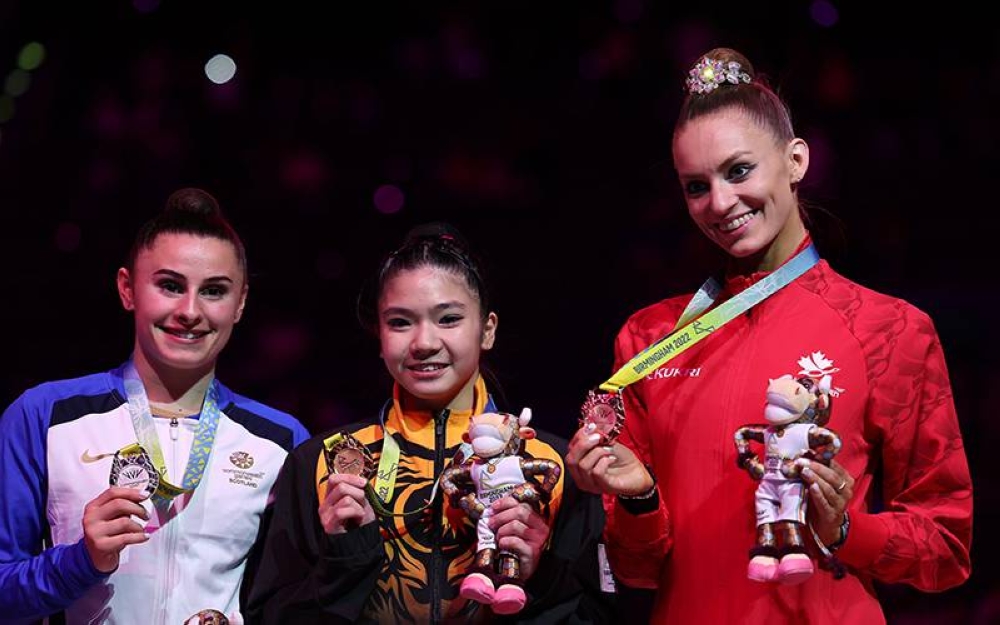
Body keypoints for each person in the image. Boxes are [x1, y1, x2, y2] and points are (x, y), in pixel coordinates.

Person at [566, 47, 972, 624]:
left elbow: (946, 550)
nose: (721, 202)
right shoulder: (650, 337)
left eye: (739, 171)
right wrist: (638, 498)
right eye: (695, 186)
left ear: (796, 160)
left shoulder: (891, 329)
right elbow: (636, 569)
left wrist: (845, 528)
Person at [245, 223, 613, 624]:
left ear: (487, 329)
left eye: (448, 318)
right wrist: (344, 560)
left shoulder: (557, 467)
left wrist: (541, 577)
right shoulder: (321, 463)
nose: (423, 342)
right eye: (400, 322)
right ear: (380, 336)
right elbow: (269, 617)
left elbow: (605, 615)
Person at [0, 188, 310, 623]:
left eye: (214, 291)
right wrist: (82, 560)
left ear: (240, 303)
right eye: (169, 285)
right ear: (128, 289)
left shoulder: (282, 440)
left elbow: (298, 599)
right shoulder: (44, 415)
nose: (189, 310)